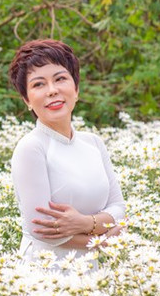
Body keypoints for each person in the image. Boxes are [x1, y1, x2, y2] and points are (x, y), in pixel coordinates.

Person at [8, 39, 126, 265]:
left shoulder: (94, 143)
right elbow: (42, 230)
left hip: (97, 268)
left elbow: (119, 209)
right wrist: (103, 241)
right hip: (47, 272)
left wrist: (85, 223)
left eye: (60, 79)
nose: (52, 91)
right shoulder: (31, 147)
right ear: (27, 100)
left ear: (76, 89)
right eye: (38, 84)